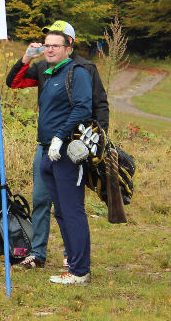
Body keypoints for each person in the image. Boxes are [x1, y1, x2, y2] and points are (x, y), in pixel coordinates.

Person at [6, 21, 109, 272]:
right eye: (47, 44)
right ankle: (38, 252)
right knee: (41, 199)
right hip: (45, 146)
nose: (49, 49)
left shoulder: (83, 69)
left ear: (69, 45)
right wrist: (26, 58)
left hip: (73, 148)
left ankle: (71, 255)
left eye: (56, 44)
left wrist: (98, 140)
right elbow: (14, 82)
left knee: (69, 205)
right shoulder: (43, 68)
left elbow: (96, 105)